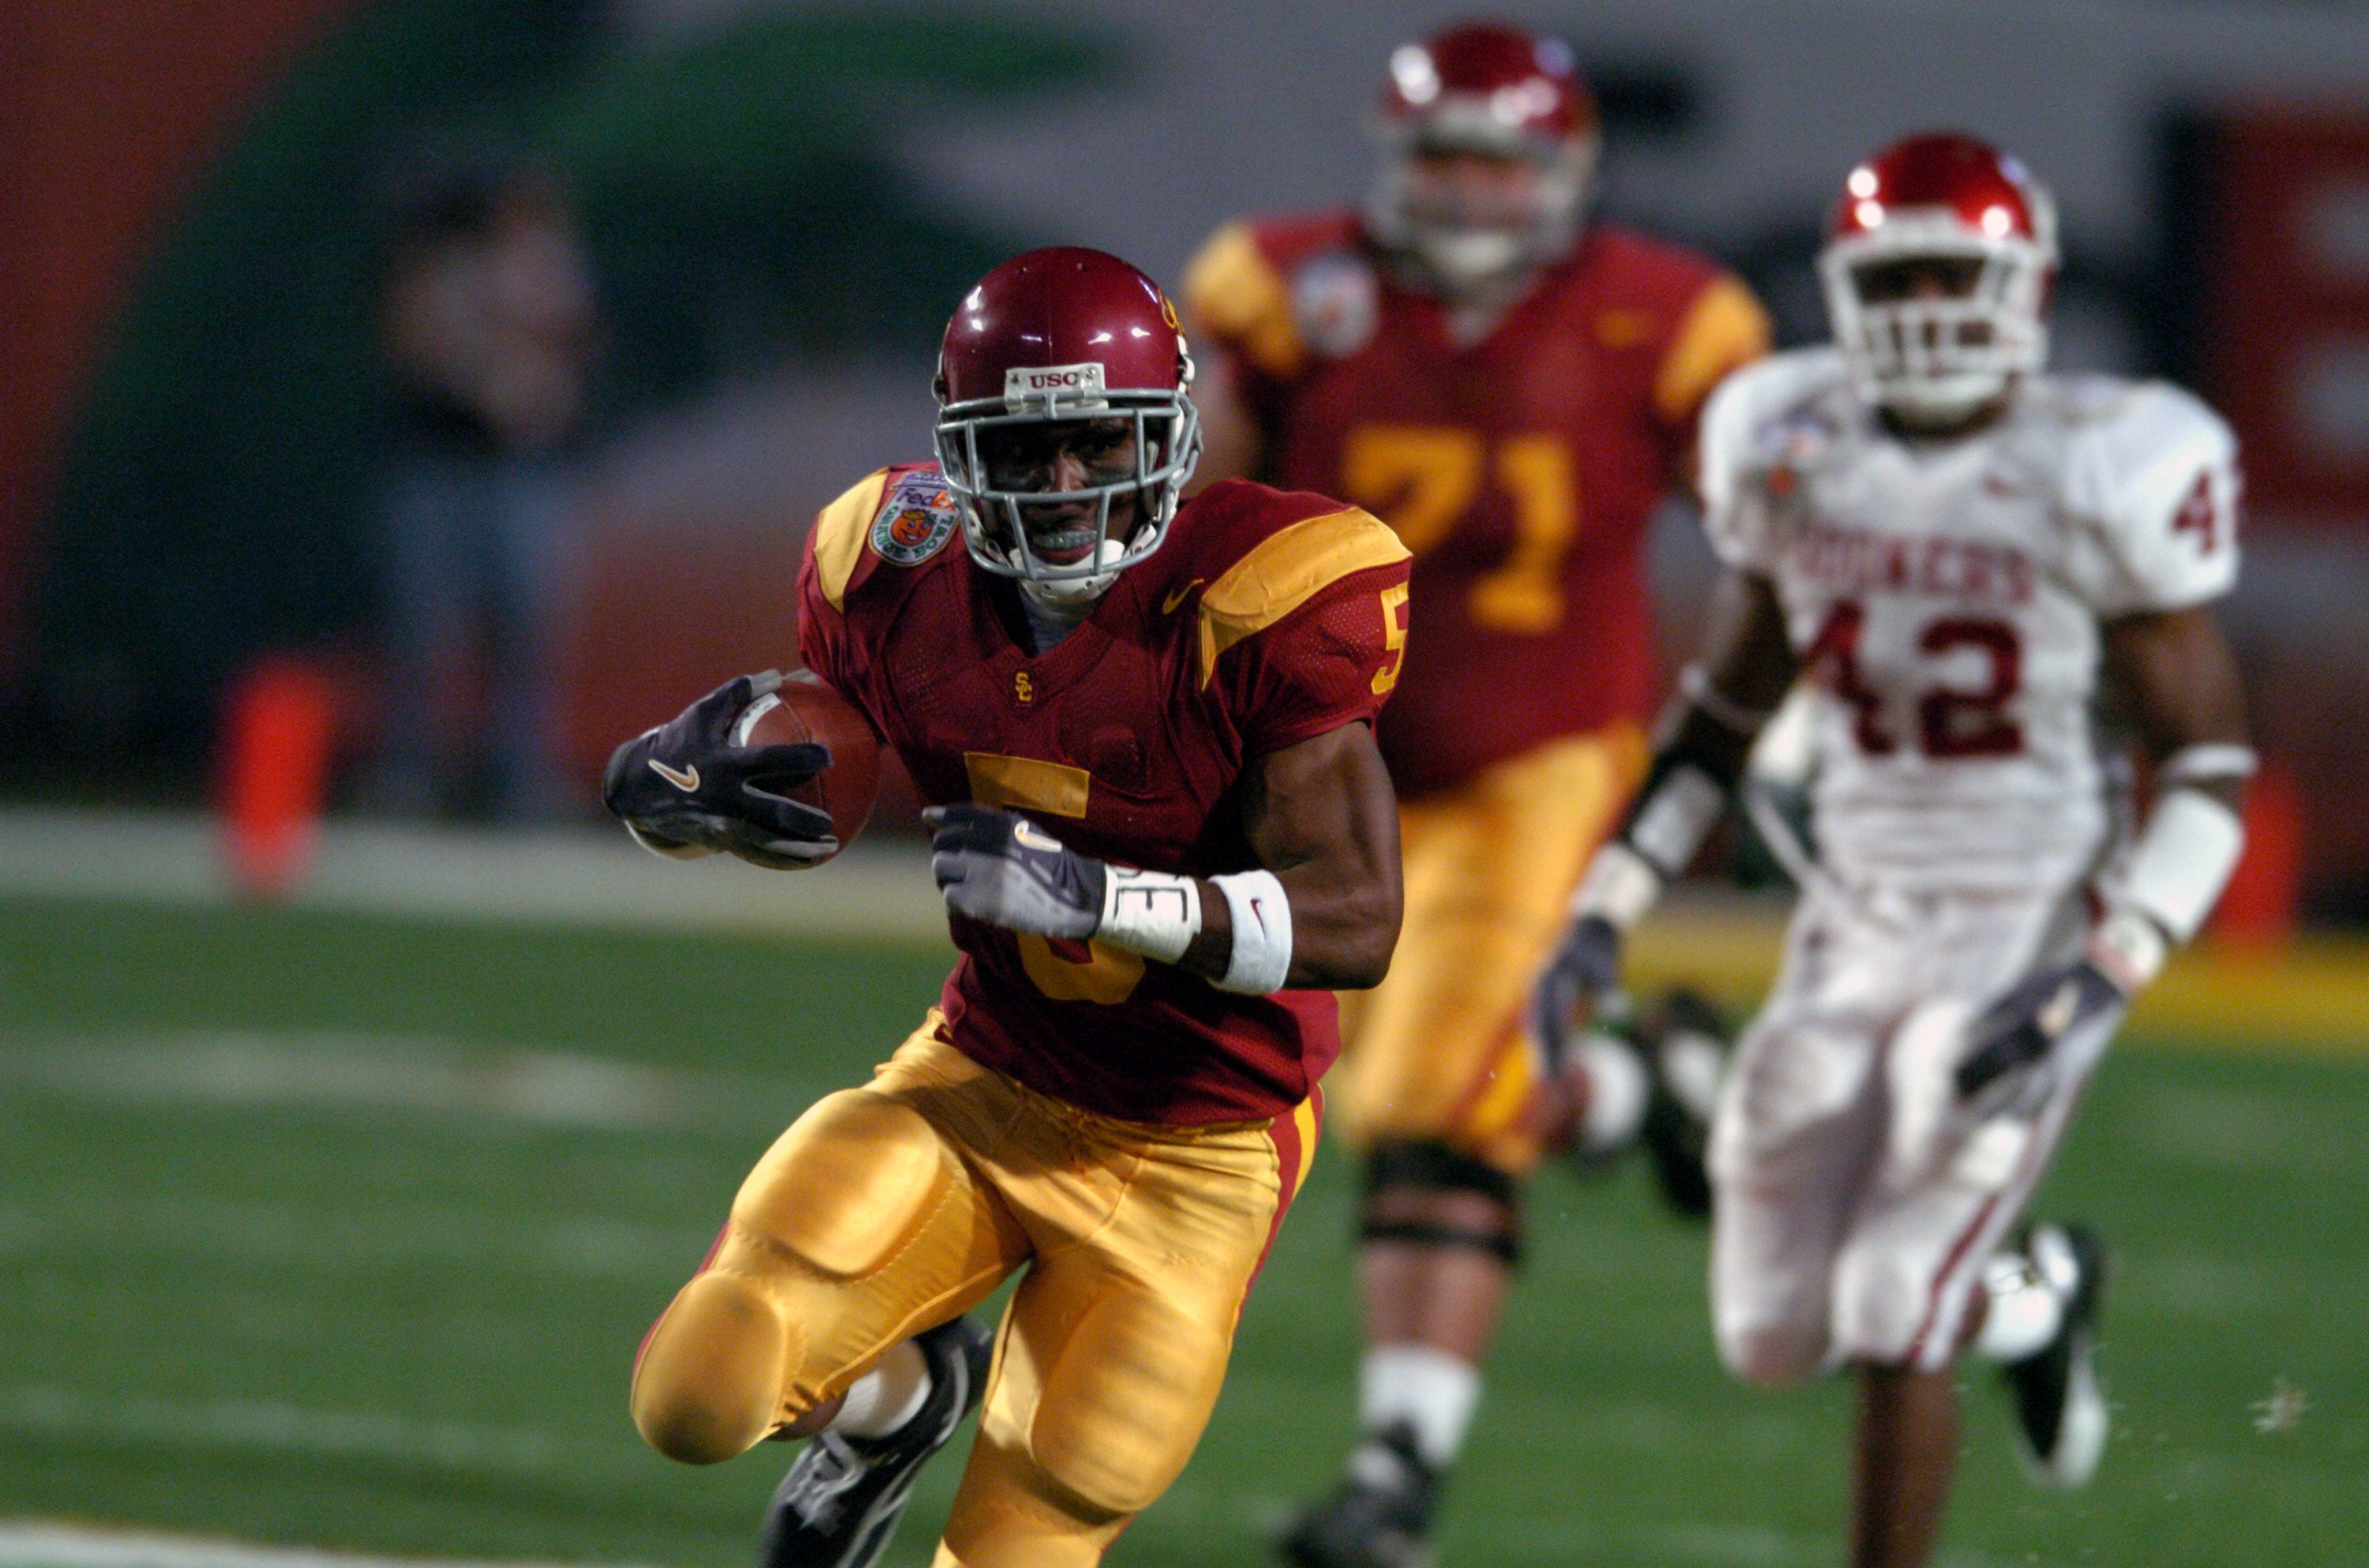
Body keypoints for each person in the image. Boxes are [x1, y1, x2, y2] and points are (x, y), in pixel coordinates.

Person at [604, 247, 1415, 1568]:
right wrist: (687, 775)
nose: (1061, 488)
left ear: (1167, 430)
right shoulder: (887, 562)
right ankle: (893, 1408)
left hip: (1196, 1148)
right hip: (981, 1079)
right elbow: (823, 743)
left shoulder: (1268, 592)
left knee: (1034, 1526)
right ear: (957, 442)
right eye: (1024, 447)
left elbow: (1359, 918)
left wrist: (1103, 897)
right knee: (697, 1392)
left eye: (1097, 444)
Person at [1533, 132, 2252, 1568]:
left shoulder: (2098, 463)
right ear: (1844, 291)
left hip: (2027, 924)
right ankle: (2039, 1298)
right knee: (1768, 1331)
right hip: (1850, 918)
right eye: (1898, 275)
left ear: (2029, 289)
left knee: (1892, 1299)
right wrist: (1602, 907)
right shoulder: (1798, 448)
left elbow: (2217, 770)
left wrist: (2100, 975)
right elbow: (1720, 720)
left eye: (1954, 274)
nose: (1926, 306)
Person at [1179, 23, 1770, 1562]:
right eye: (1443, 154)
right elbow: (1197, 521)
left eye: (1499, 158)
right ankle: (1646, 1089)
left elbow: (1784, 549)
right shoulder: (1284, 286)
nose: (1469, 188)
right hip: (1331, 760)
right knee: (1283, 1080)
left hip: (1542, 760)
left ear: (1563, 171)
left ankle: (1398, 1479)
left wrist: (1797, 724)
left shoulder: (1672, 317)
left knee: (1427, 1100)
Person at [369, 151, 599, 820]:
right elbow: (418, 348)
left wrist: (539, 386)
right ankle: (409, 771)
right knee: (422, 625)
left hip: (525, 467)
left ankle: (520, 776)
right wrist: (488, 379)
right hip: (439, 462)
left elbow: (569, 352)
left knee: (530, 625)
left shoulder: (550, 267)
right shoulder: (438, 269)